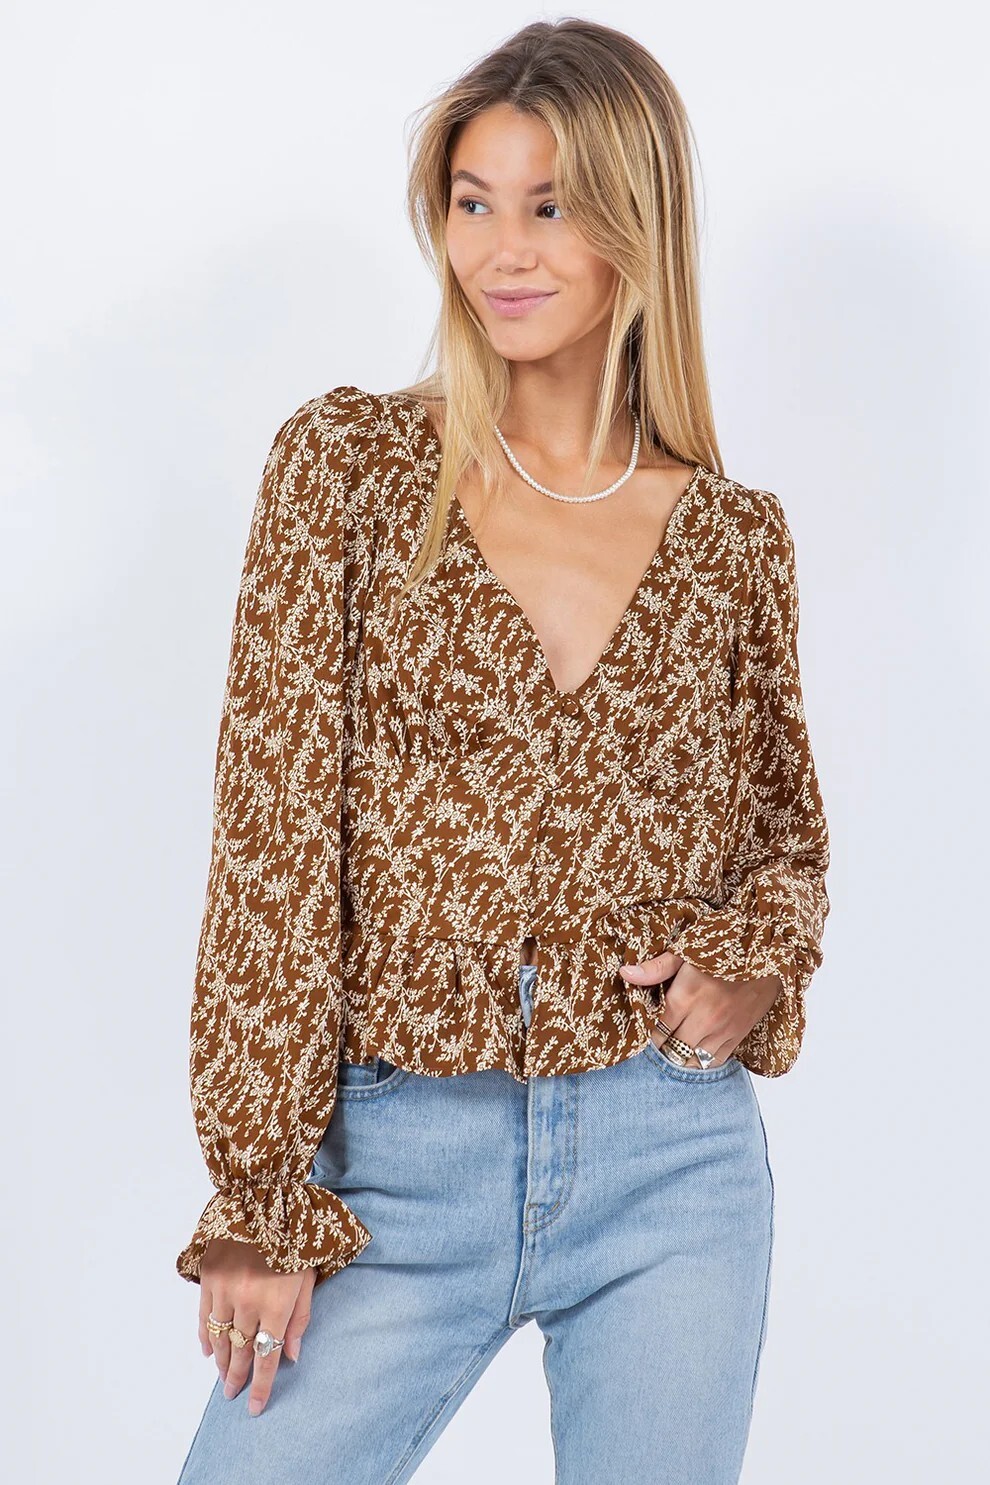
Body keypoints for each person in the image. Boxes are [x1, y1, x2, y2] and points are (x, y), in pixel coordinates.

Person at [175, 18, 830, 1485]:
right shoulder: (348, 471)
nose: (503, 250)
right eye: (474, 202)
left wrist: (747, 970)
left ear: (636, 227)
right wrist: (264, 1191)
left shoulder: (733, 539)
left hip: (668, 1162)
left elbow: (785, 836)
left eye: (551, 206)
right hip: (395, 1161)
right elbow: (272, 846)